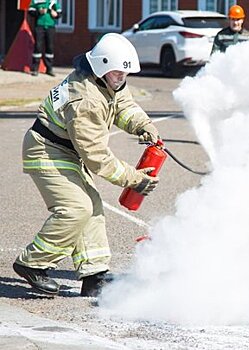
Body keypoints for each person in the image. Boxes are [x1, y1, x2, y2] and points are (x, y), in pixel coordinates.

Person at [13, 33, 161, 297]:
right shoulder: (85, 99)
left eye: (124, 74)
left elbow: (123, 105)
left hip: (65, 150)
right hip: (46, 150)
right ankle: (32, 264)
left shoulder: (106, 79)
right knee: (75, 208)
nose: (121, 79)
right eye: (117, 74)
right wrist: (133, 178)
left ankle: (94, 276)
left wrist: (143, 125)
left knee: (91, 206)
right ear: (102, 66)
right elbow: (96, 156)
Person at [28, 0, 62, 76]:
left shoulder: (54, 1)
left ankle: (49, 69)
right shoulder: (36, 1)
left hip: (50, 27)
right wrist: (39, 12)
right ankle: (35, 69)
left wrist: (56, 14)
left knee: (50, 48)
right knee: (38, 47)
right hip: (39, 26)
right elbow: (30, 11)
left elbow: (59, 13)